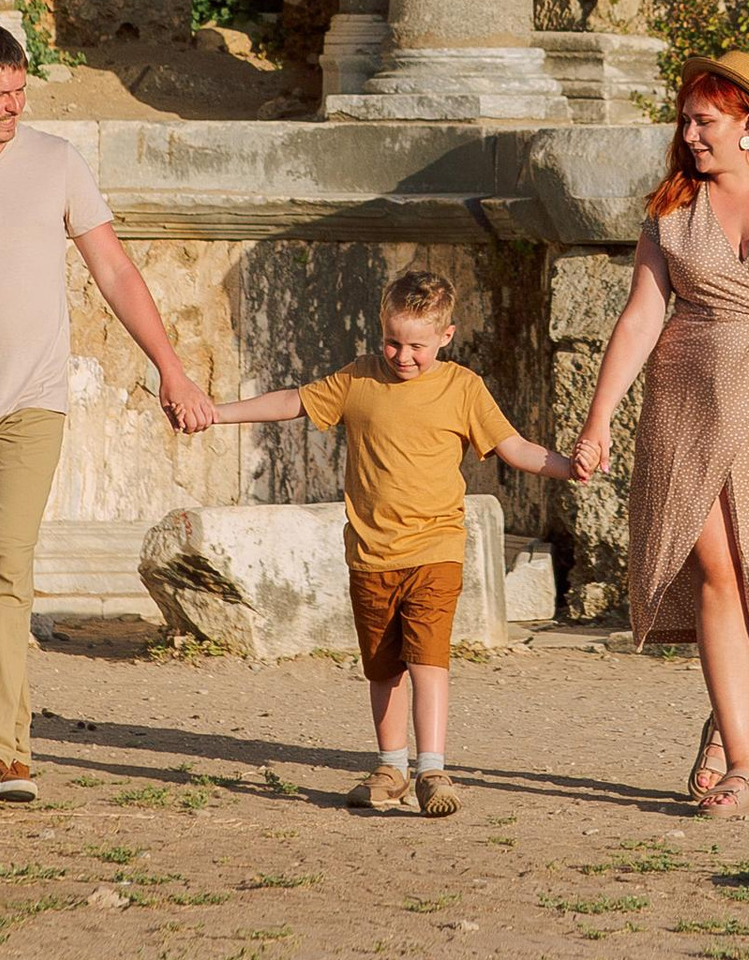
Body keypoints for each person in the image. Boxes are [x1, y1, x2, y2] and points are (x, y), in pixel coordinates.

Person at [0, 19, 218, 806]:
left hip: (32, 399)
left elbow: (116, 271)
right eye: (0, 95)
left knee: (3, 567)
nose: (15, 107)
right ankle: (7, 743)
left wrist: (171, 369)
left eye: (22, 92)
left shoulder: (57, 163)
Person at [571, 49, 749, 819]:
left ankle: (726, 713)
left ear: (747, 125)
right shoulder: (671, 210)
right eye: (685, 120)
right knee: (719, 573)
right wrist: (598, 420)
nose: (689, 134)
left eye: (704, 120)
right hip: (686, 403)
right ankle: (747, 767)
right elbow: (640, 319)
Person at [201, 266, 576, 818]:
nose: (403, 356)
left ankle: (433, 769)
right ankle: (390, 765)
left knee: (429, 661)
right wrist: (216, 414)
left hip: (436, 550)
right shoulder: (358, 380)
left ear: (446, 336)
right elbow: (293, 403)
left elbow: (513, 446)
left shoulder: (463, 388)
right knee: (382, 668)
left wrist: (568, 466)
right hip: (371, 555)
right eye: (393, 342)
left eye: (417, 346)